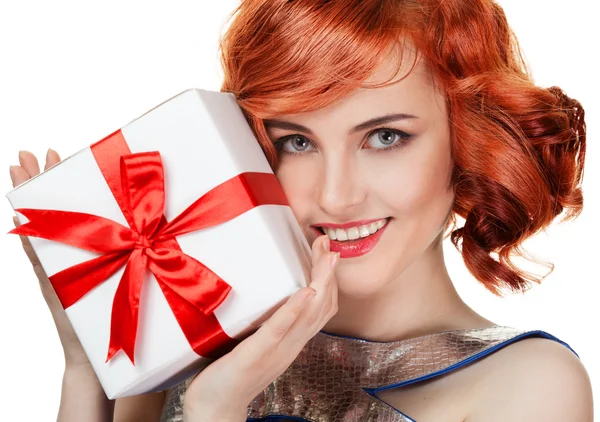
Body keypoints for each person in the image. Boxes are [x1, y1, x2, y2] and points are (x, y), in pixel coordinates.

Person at [8, 0, 593, 421]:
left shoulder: (529, 386)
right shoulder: (188, 338)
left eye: (385, 136)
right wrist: (88, 366)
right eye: (296, 141)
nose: (336, 196)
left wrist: (216, 412)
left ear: (468, 140)